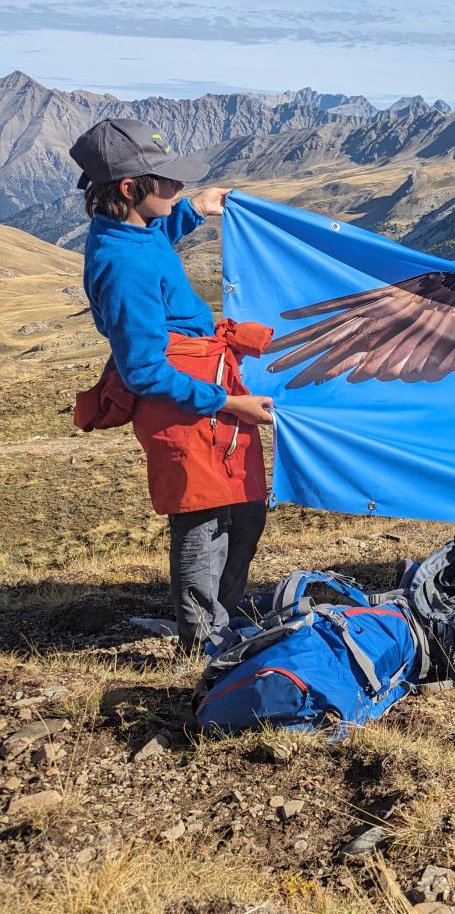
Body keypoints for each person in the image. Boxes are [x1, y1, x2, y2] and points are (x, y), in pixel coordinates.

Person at [72, 119, 275, 652]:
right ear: (128, 187)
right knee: (202, 517)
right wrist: (227, 401)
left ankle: (221, 621)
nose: (176, 188)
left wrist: (196, 208)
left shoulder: (130, 230)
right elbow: (142, 370)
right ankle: (201, 640)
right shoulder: (120, 264)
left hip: (203, 391)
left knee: (246, 507)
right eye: (168, 182)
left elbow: (154, 239)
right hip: (184, 403)